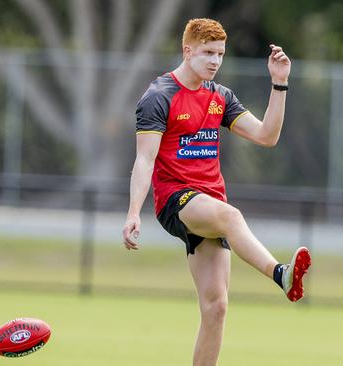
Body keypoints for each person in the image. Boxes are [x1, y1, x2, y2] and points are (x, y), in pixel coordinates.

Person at [121, 18, 311, 366]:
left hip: (210, 204)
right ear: (187, 50)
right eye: (208, 53)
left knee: (217, 308)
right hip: (176, 201)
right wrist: (134, 212)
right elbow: (145, 160)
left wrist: (279, 84)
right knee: (231, 216)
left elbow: (267, 136)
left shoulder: (219, 97)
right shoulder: (159, 96)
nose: (215, 61)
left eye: (220, 54)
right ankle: (281, 274)